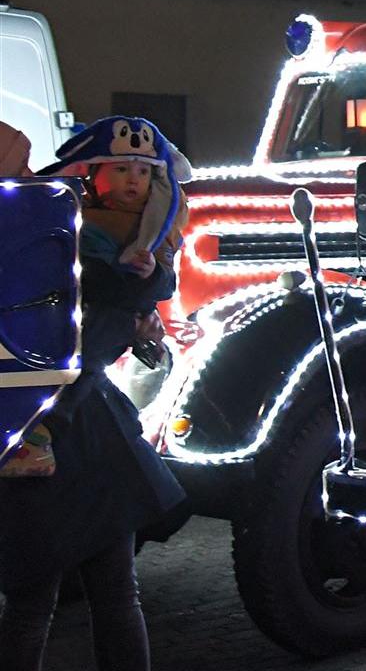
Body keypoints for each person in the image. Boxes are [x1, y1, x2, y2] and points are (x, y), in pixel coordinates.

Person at [0, 117, 193, 671]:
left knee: (61, 598)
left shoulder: (55, 222)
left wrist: (143, 290)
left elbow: (121, 300)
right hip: (48, 432)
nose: (29, 174)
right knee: (49, 600)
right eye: (19, 166)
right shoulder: (46, 226)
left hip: (59, 431)